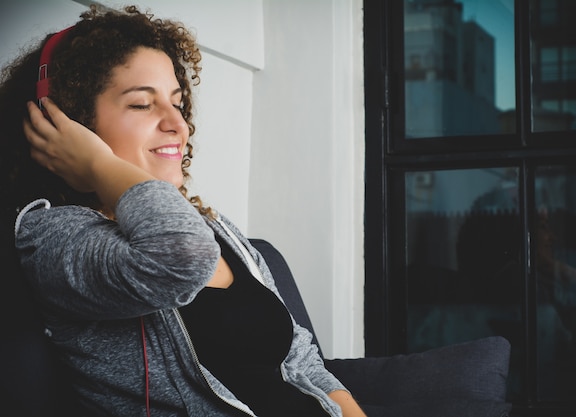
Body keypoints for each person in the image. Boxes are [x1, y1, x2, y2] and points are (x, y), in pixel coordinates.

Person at [3, 5, 367, 416]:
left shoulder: (215, 228)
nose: (178, 124)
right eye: (142, 104)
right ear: (67, 123)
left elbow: (300, 358)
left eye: (177, 103)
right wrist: (97, 166)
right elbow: (181, 256)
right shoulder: (51, 237)